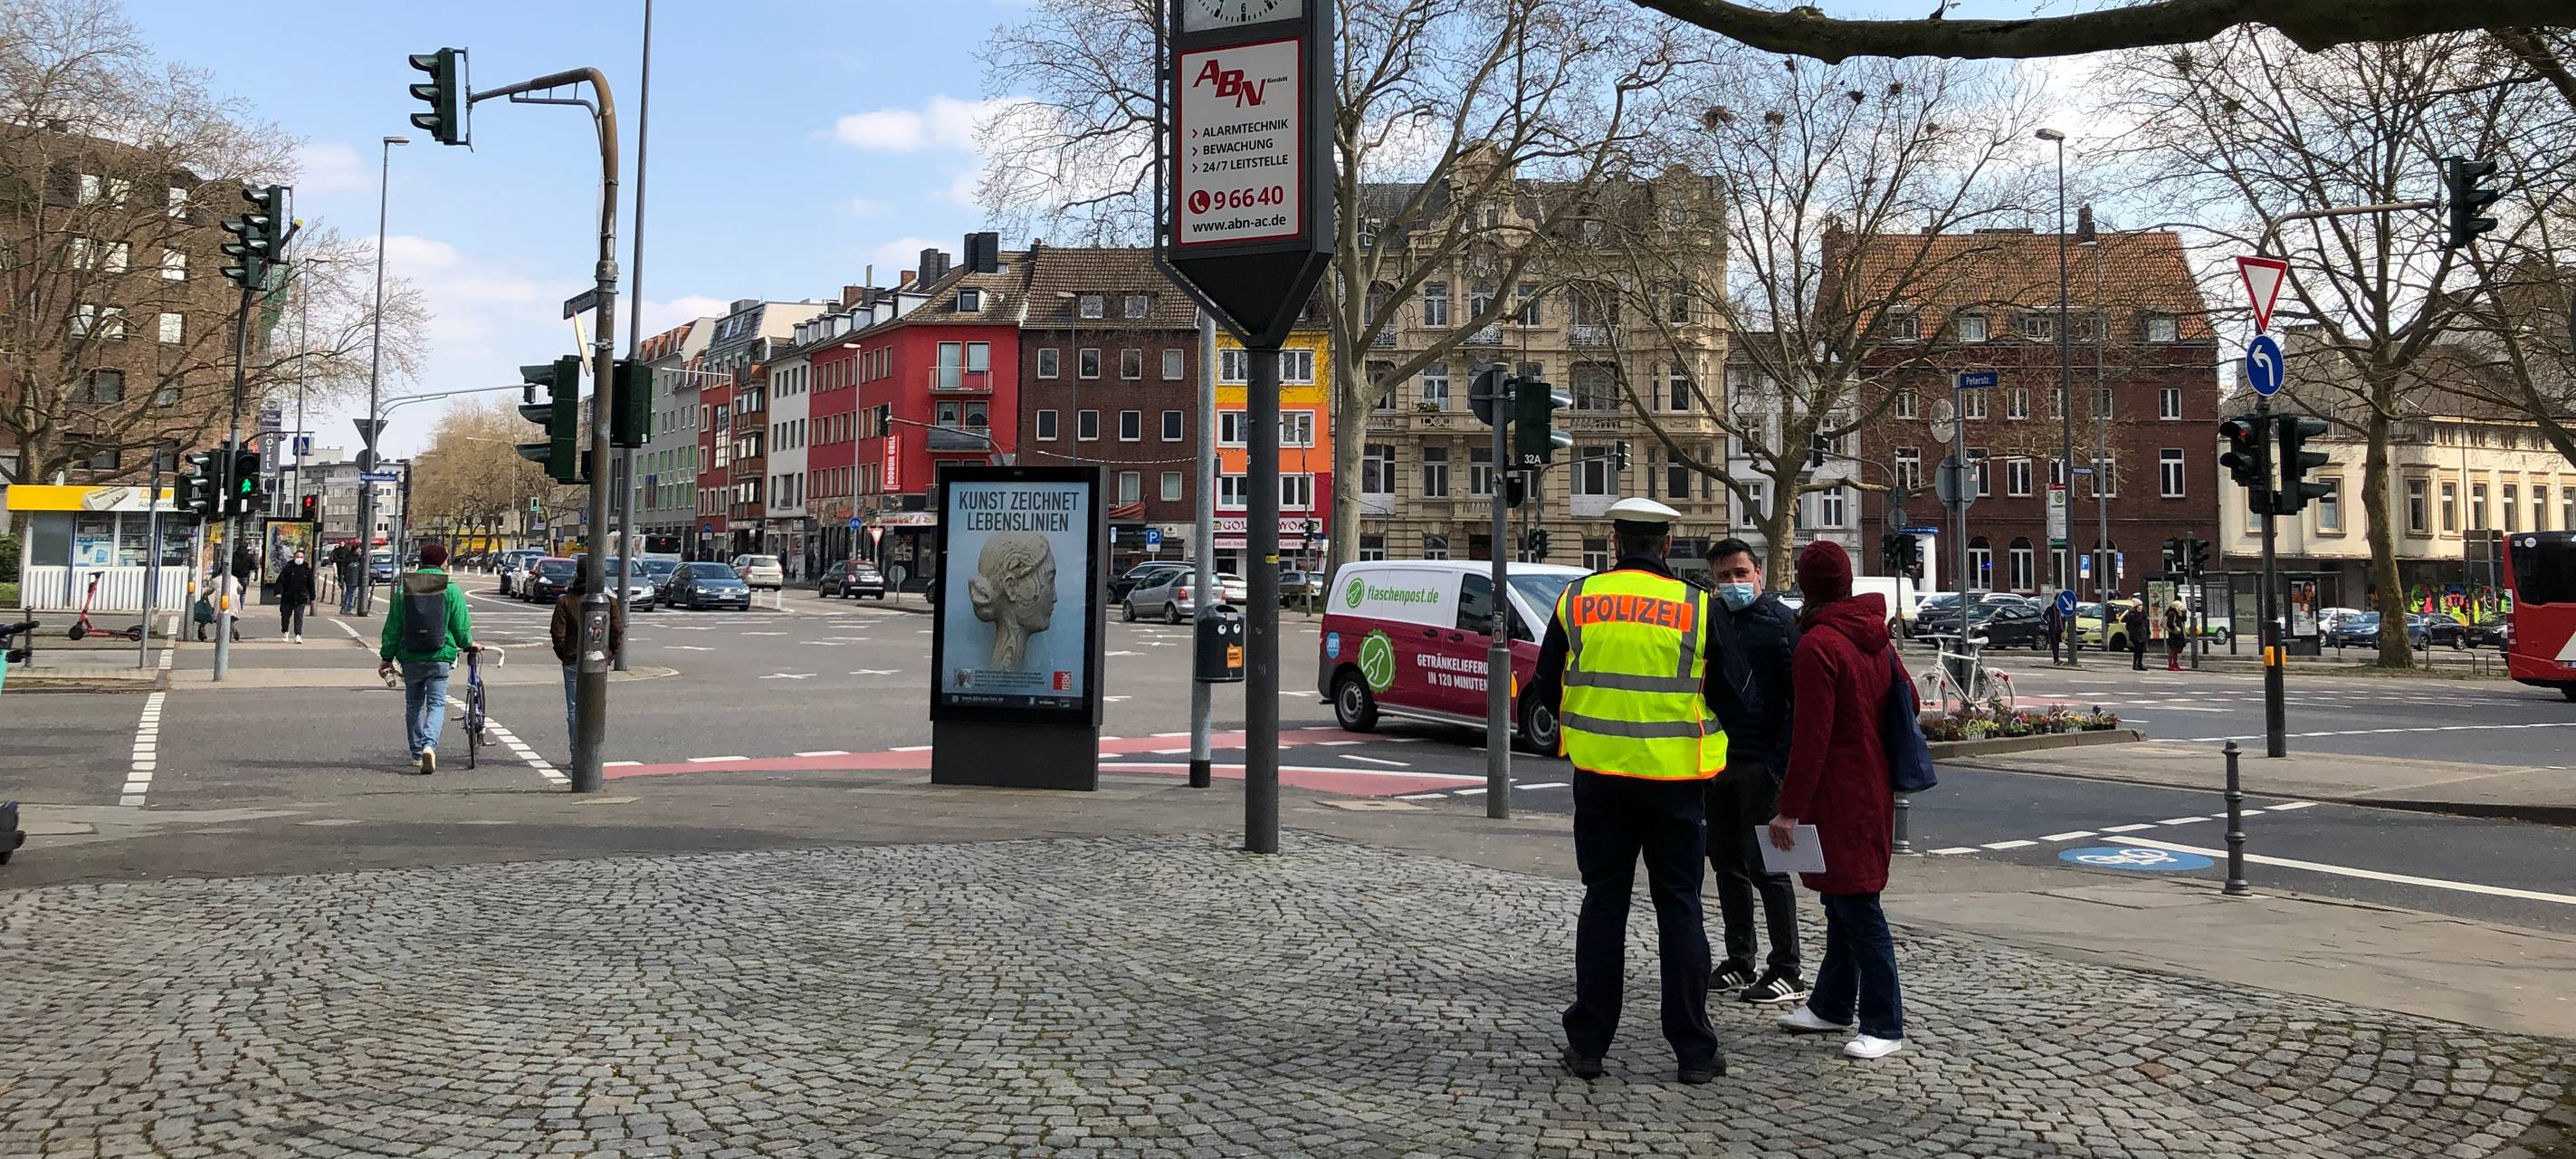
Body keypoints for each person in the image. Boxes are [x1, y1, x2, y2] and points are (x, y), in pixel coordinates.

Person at [1524, 496, 1751, 1086]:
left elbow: (1544, 689)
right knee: (1680, 910)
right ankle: (1694, 1052)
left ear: (1616, 542)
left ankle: (1589, 1045)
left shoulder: (1578, 601)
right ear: (1668, 545)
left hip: (1600, 782)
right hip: (1676, 785)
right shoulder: (1699, 607)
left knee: (1604, 906)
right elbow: (1736, 698)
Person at [1767, 540, 1911, 1061]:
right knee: (1843, 902)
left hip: (1839, 794)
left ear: (1805, 587)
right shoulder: (1874, 635)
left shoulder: (1818, 645)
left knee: (1856, 905)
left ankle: (1884, 1022)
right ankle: (1830, 1004)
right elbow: (1909, 700)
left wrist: (1789, 808)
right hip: (1873, 786)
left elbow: (1812, 738)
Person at [1699, 538, 1805, 1007]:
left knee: (1770, 868)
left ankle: (1787, 969)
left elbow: (1797, 702)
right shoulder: (1710, 620)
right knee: (1726, 863)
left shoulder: (1782, 623)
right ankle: (1740, 960)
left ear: (1759, 573)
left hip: (1762, 763)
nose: (1734, 583)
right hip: (1718, 760)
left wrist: (1778, 765)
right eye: (1724, 576)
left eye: (1741, 574)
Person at [377, 542, 476, 775]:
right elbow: (461, 628)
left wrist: (386, 657)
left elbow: (393, 627)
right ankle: (429, 745)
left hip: (410, 656)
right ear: (442, 563)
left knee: (413, 705)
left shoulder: (404, 590)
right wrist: (467, 644)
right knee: (437, 704)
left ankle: (415, 754)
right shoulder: (451, 589)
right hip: (440, 655)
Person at [551, 569, 625, 759]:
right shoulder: (608, 601)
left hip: (572, 660)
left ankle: (578, 754)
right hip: (598, 661)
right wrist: (609, 655)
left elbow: (557, 633)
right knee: (595, 707)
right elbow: (617, 631)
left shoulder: (565, 601)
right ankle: (592, 754)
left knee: (575, 708)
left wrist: (566, 655)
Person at [276, 551, 316, 643]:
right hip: (287, 597)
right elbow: (280, 581)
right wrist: (278, 592)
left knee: (299, 617)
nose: (299, 559)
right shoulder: (288, 568)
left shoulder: (307, 570)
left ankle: (298, 635)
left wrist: (312, 596)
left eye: (301, 557)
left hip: (301, 598)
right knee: (285, 616)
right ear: (294, 558)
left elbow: (311, 584)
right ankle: (285, 631)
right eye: (297, 556)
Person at [2123, 597, 2150, 671]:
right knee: (2137, 649)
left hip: (2142, 634)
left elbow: (2145, 623)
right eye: (2139, 605)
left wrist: (2147, 632)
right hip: (2136, 634)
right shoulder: (2132, 614)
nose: (2141, 607)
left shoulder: (2143, 614)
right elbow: (2136, 622)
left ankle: (2140, 663)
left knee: (2141, 650)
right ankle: (2135, 664)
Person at [336, 542, 363, 615]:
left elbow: (344, 568)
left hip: (348, 578)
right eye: (359, 548)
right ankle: (348, 609)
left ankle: (344, 608)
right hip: (353, 578)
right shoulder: (355, 558)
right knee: (352, 593)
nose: (360, 550)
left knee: (348, 592)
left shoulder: (348, 556)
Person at [2164, 599, 2189, 672]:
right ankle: (2171, 664)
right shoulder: (2172, 613)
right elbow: (2170, 624)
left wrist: (2184, 614)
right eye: (2180, 607)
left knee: (2175, 651)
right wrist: (2175, 628)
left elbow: (2182, 620)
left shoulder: (2177, 613)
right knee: (2173, 650)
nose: (2181, 608)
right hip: (2174, 635)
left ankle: (2175, 663)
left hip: (2177, 635)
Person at [2042, 597, 2066, 665]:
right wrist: (2049, 623)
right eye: (2057, 601)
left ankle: (2057, 658)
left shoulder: (2061, 609)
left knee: (2057, 644)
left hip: (2059, 629)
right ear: (2055, 601)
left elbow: (2064, 618)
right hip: (2053, 630)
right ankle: (2056, 659)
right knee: (2054, 644)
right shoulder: (2050, 609)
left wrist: (2063, 627)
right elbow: (2043, 616)